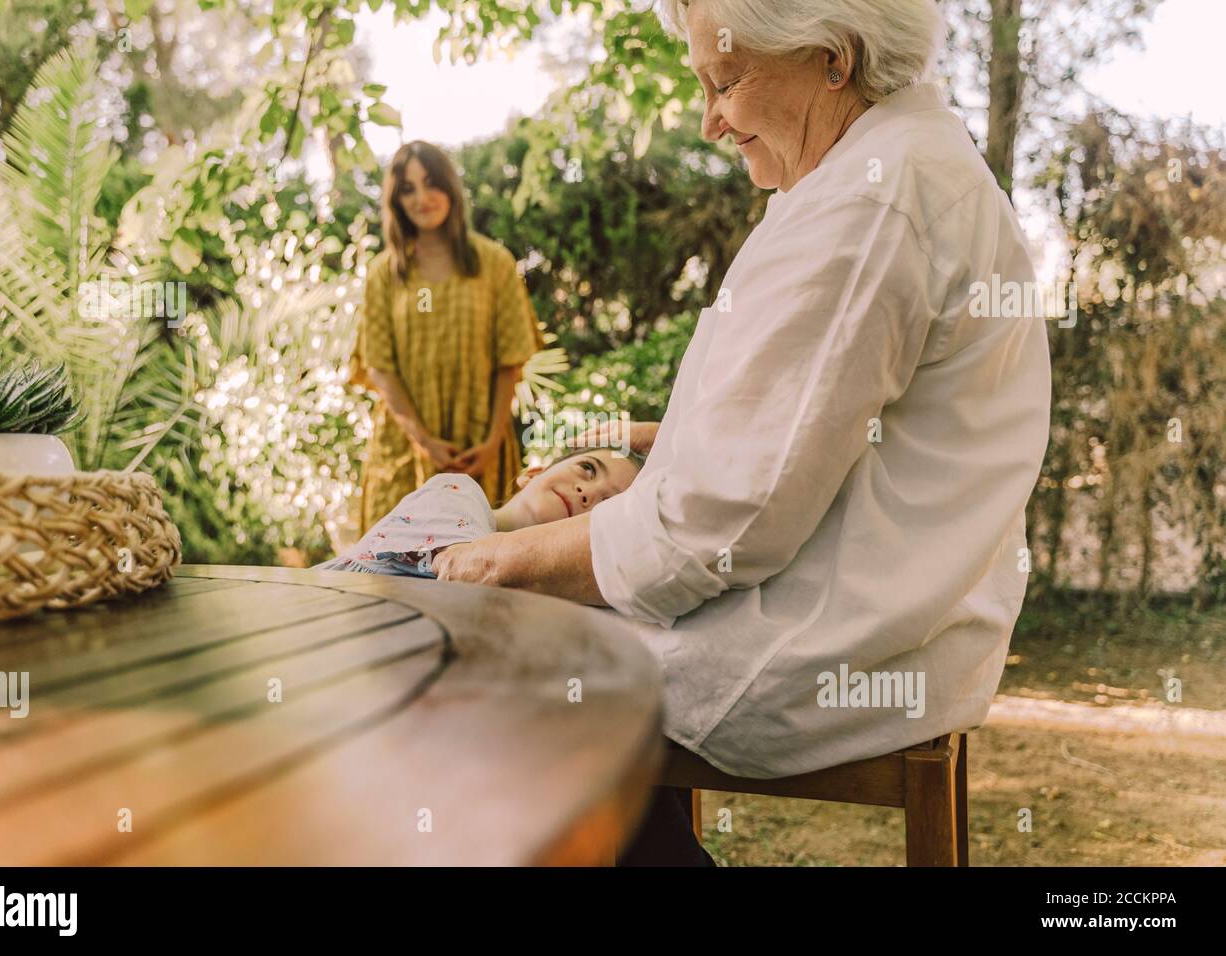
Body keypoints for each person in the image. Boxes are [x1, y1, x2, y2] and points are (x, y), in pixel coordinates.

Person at [433, 0, 1052, 865]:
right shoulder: (885, 163)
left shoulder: (871, 203)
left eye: (725, 82)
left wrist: (493, 564)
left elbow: (722, 526)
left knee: (480, 677)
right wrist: (682, 434)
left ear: (834, 59)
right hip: (903, 612)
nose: (710, 120)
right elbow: (818, 422)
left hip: (834, 641)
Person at [352, 140, 543, 535]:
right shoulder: (384, 274)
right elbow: (379, 366)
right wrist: (424, 442)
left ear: (450, 188)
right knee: (393, 578)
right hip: (406, 450)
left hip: (479, 447)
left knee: (480, 572)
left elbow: (511, 359)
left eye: (431, 183)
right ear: (396, 201)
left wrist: (491, 442)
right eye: (408, 188)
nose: (422, 197)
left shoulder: (494, 262)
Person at [318, 447, 644, 577]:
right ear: (532, 474)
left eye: (608, 506)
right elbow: (466, 569)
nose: (587, 493)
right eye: (587, 469)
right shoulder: (456, 492)